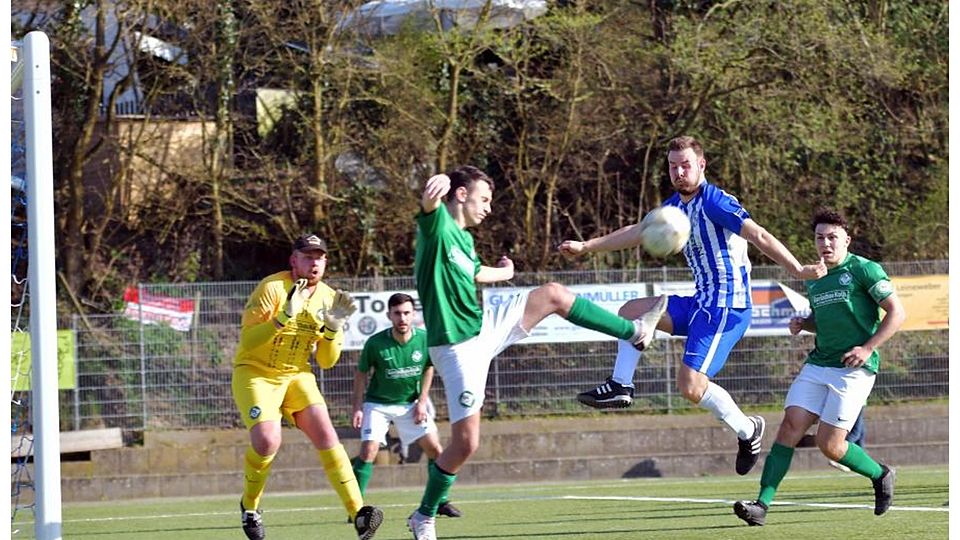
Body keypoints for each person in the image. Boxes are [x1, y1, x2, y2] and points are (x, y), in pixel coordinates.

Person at [406, 165, 660, 540]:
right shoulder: (438, 224)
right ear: (461, 195)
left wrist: (506, 274)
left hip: (484, 326)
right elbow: (429, 209)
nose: (489, 208)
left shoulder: (463, 239)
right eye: (485, 199)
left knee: (553, 294)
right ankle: (423, 516)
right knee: (466, 443)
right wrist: (432, 194)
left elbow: (475, 272)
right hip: (457, 349)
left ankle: (635, 331)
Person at [558, 135, 827, 476]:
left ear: (701, 165)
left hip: (727, 308)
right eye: (673, 166)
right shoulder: (673, 207)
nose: (678, 172)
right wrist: (586, 247)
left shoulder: (716, 202)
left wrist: (799, 270)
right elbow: (638, 230)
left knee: (690, 386)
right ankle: (620, 385)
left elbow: (758, 235)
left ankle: (748, 431)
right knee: (632, 310)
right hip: (701, 302)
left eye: (685, 165)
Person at [733, 210, 904, 525]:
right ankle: (761, 505)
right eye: (819, 237)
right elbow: (826, 320)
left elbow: (897, 312)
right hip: (819, 362)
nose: (825, 243)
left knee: (831, 446)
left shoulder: (864, 270)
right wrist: (805, 323)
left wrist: (868, 348)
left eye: (832, 237)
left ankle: (880, 474)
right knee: (789, 428)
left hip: (853, 369)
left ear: (846, 240)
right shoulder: (815, 276)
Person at [231, 233, 382, 540]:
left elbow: (326, 362)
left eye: (320, 257)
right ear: (294, 260)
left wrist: (331, 331)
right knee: (267, 440)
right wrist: (282, 317)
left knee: (327, 434)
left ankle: (358, 513)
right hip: (256, 373)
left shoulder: (330, 299)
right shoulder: (272, 288)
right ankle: (250, 507)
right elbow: (246, 342)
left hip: (297, 374)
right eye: (308, 256)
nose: (314, 262)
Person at [351, 292, 462, 518]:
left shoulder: (424, 339)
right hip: (378, 405)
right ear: (389, 315)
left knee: (436, 449)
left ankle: (440, 501)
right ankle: (354, 507)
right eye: (397, 313)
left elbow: (428, 368)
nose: (402, 318)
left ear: (413, 315)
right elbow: (361, 373)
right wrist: (358, 407)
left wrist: (422, 402)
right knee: (368, 450)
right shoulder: (376, 343)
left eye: (406, 313)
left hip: (410, 404)